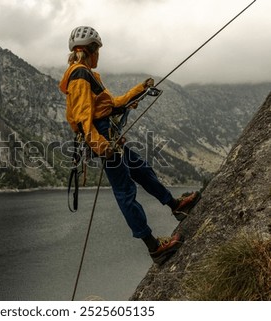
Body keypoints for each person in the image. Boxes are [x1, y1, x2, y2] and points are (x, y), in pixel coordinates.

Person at [59, 26, 200, 265]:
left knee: (141, 170)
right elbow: (83, 118)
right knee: (125, 191)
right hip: (102, 138)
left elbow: (112, 104)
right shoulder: (80, 75)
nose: (99, 55)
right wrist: (102, 146)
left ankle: (175, 205)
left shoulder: (88, 75)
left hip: (106, 135)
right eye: (98, 50)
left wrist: (139, 90)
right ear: (92, 51)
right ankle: (154, 247)